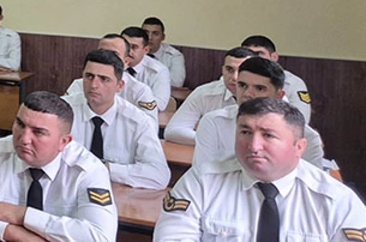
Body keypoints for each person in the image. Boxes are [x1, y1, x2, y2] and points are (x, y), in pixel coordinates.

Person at [154, 98, 366, 241]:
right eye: (245, 132)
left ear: (299, 147)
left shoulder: (335, 200)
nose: (254, 146)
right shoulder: (202, 182)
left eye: (268, 135)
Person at [0, 91, 118, 242]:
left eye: (38, 132)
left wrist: (23, 215)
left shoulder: (88, 170)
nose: (24, 139)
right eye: (20, 125)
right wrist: (11, 232)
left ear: (64, 141)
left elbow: (100, 237)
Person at [62, 49, 169, 189]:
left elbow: (159, 175)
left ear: (119, 86)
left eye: (104, 79)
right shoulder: (61, 111)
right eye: (89, 76)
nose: (94, 85)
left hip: (116, 194)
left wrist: (106, 169)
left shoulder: (138, 121)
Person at [193, 57, 324, 168]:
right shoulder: (214, 123)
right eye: (242, 85)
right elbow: (202, 177)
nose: (247, 94)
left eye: (259, 88)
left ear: (279, 96)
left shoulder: (306, 137)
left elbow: (310, 185)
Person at [164, 47, 255, 145]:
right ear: (223, 70)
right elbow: (172, 130)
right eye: (229, 70)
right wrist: (212, 141)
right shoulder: (204, 92)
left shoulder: (264, 96)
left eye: (241, 71)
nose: (234, 77)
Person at [65, 34, 159, 116]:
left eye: (113, 55)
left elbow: (149, 127)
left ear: (126, 61)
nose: (106, 58)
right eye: (102, 52)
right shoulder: (79, 85)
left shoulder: (140, 91)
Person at [241, 35, 312, 122]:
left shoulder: (292, 83)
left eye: (259, 53)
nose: (253, 58)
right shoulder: (233, 79)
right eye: (248, 54)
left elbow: (301, 120)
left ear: (274, 57)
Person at [121, 26, 171, 110]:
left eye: (134, 47)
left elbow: (160, 105)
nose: (129, 51)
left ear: (146, 50)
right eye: (126, 46)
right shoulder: (110, 64)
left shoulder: (159, 71)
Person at [142, 16, 185, 88]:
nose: (150, 37)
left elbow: (176, 83)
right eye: (146, 33)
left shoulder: (174, 56)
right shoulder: (133, 52)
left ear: (163, 37)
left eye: (155, 34)